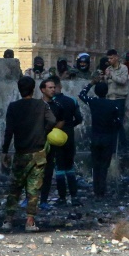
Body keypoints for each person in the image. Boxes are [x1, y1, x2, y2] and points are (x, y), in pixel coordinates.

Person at [2, 77, 57, 231]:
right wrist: (43, 132)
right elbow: (52, 120)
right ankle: (30, 221)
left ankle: (8, 220)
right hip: (38, 153)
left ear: (19, 90)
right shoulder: (42, 105)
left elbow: (9, 131)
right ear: (33, 89)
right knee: (34, 189)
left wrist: (4, 151)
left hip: (20, 153)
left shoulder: (13, 107)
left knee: (15, 188)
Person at [41, 76, 83, 207]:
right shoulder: (72, 101)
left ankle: (62, 198)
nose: (52, 90)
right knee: (69, 167)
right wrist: (69, 126)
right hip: (69, 136)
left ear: (56, 87)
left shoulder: (50, 104)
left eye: (53, 87)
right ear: (62, 86)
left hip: (54, 138)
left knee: (59, 168)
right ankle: (74, 197)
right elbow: (79, 118)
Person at [78, 80, 123, 197]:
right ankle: (102, 189)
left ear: (96, 92)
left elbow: (81, 95)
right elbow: (118, 122)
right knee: (104, 165)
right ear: (107, 91)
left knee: (96, 164)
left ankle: (96, 190)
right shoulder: (113, 105)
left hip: (95, 137)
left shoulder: (93, 102)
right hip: (107, 138)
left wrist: (91, 83)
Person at [37, 78, 65, 209]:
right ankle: (29, 198)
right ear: (43, 89)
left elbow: (61, 121)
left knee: (47, 172)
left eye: (54, 87)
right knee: (32, 172)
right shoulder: (35, 105)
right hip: (35, 143)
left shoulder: (57, 106)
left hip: (49, 145)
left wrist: (52, 131)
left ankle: (43, 200)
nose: (53, 90)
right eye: (50, 87)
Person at [104, 50, 129, 147]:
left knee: (119, 123)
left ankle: (123, 145)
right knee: (110, 123)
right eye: (108, 58)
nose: (110, 60)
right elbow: (107, 84)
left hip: (119, 99)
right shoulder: (108, 69)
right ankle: (112, 145)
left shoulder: (123, 68)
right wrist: (105, 77)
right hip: (110, 99)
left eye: (111, 58)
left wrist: (111, 75)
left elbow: (123, 81)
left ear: (116, 57)